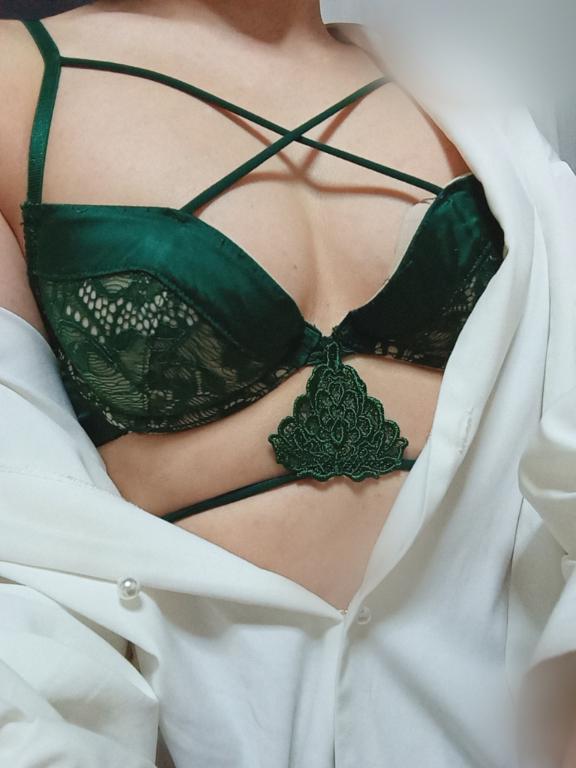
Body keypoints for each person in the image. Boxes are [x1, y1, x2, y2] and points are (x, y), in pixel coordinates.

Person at [0, 1, 575, 766]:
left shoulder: (472, 97)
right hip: (193, 724)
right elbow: (18, 509)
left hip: (499, 710)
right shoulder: (17, 83)